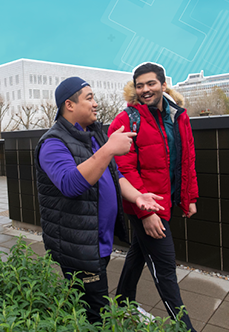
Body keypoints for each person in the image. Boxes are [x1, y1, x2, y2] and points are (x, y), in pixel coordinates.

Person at [34, 77, 163, 323]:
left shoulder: (94, 134)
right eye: (89, 98)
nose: (96, 104)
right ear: (69, 105)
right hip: (77, 245)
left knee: (88, 305)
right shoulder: (52, 143)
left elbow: (115, 175)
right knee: (97, 312)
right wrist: (109, 149)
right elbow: (70, 184)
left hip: (96, 239)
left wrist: (138, 197)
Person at [108, 62, 199, 330]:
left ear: (163, 84)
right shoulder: (127, 119)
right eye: (140, 85)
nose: (145, 90)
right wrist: (146, 213)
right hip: (142, 206)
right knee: (165, 267)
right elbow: (122, 168)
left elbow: (187, 159)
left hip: (166, 201)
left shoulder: (178, 115)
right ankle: (186, 328)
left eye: (151, 83)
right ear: (134, 89)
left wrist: (189, 197)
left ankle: (123, 302)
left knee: (139, 252)